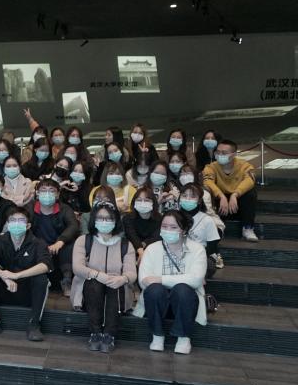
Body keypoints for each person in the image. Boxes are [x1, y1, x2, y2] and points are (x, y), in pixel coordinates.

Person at [135, 210, 208, 355]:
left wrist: (161, 279)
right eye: (164, 226)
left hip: (185, 304)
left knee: (183, 290)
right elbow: (144, 280)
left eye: (173, 227)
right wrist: (180, 279)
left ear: (184, 230)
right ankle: (157, 335)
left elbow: (196, 280)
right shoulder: (152, 248)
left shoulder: (197, 249)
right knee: (155, 290)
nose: (168, 230)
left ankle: (183, 337)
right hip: (157, 302)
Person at [0, 207, 52, 341]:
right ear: (7, 224)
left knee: (41, 279)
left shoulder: (38, 243)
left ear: (28, 225)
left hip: (27, 292)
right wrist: (3, 275)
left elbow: (45, 265)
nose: (16, 224)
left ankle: (34, 324)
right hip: (4, 288)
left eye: (21, 220)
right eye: (13, 220)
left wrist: (17, 275)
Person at [70, 202, 137, 353]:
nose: (104, 222)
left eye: (109, 218)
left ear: (116, 221)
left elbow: (132, 273)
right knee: (94, 284)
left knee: (115, 285)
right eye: (100, 218)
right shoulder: (84, 240)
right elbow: (77, 267)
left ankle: (109, 334)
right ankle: (95, 332)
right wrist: (97, 275)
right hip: (89, 289)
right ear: (94, 220)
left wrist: (123, 278)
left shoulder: (126, 245)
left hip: (116, 290)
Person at [29, 178, 80, 296]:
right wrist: (40, 245)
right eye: (43, 190)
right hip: (37, 244)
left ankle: (67, 281)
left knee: (70, 245)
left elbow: (73, 226)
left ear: (57, 194)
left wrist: (60, 241)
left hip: (58, 246)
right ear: (37, 193)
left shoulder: (65, 209)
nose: (47, 194)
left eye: (51, 191)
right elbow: (25, 227)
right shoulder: (30, 207)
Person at [203, 139, 259, 242]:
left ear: (234, 154)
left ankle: (248, 228)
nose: (220, 155)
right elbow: (207, 181)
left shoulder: (244, 166)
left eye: (224, 153)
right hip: (221, 202)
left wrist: (235, 194)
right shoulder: (210, 167)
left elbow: (250, 180)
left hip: (237, 202)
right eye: (218, 152)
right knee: (206, 192)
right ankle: (216, 228)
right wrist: (221, 195)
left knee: (250, 193)